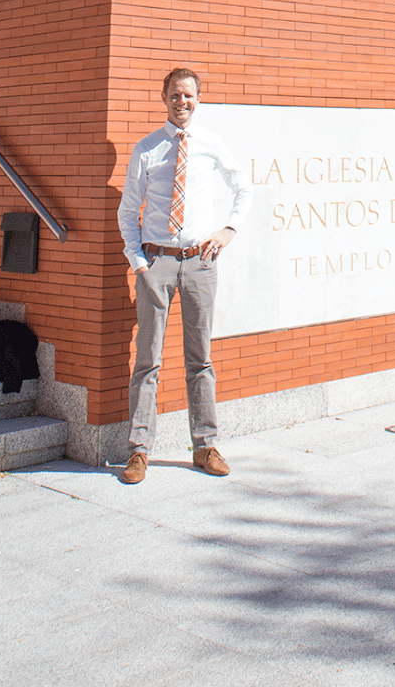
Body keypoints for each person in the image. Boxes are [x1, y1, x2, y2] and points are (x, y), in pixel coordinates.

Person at [116, 68, 252, 484]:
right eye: (175, 94)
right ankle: (139, 452)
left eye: (189, 95)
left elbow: (243, 187)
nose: (182, 102)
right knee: (147, 360)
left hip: (199, 263)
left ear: (197, 99)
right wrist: (139, 262)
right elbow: (128, 211)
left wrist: (229, 230)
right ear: (164, 97)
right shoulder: (148, 149)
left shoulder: (211, 145)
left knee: (200, 360)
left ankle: (205, 446)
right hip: (156, 263)